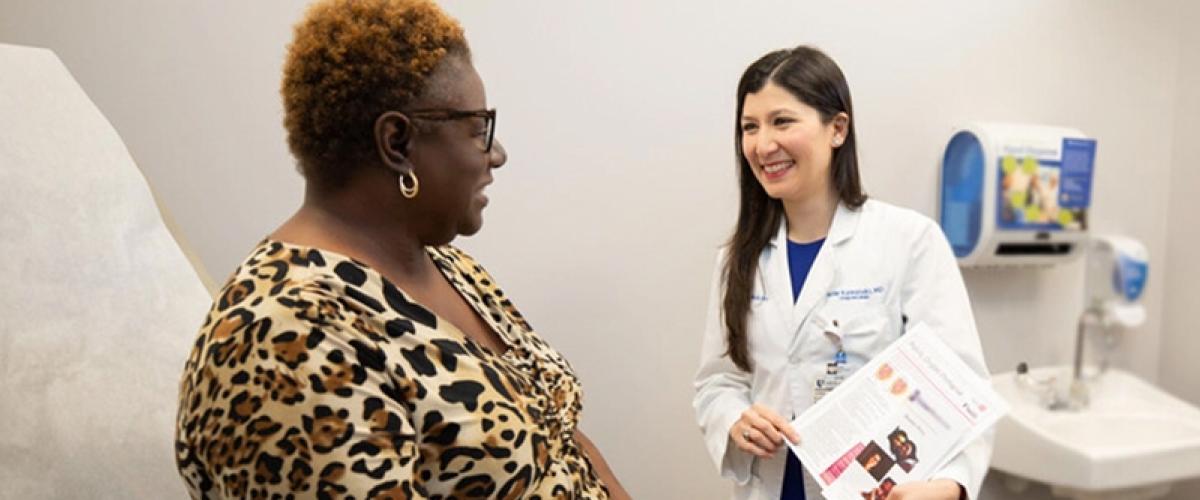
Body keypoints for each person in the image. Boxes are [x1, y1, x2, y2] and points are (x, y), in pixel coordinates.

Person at [173, 1, 629, 498]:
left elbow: (559, 435)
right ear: (397, 142)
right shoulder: (284, 334)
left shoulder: (448, 265)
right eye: (478, 130)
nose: (497, 154)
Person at [692, 45, 992, 499]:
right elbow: (719, 381)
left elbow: (961, 388)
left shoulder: (909, 241)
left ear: (837, 128)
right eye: (749, 127)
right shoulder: (739, 258)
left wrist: (949, 486)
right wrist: (735, 418)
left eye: (782, 121)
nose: (762, 144)